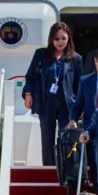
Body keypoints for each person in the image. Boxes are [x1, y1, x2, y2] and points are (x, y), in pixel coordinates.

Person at [22, 21, 83, 174]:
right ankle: (49, 169)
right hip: (46, 101)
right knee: (47, 136)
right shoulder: (41, 54)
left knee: (66, 135)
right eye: (57, 39)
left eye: (63, 38)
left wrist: (79, 106)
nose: (60, 42)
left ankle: (66, 170)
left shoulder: (75, 58)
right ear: (51, 39)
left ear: (68, 38)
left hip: (66, 104)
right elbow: (30, 76)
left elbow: (79, 84)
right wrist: (28, 94)